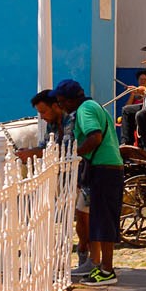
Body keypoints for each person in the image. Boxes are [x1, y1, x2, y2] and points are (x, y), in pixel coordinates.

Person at [19, 89, 93, 276]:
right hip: (65, 177)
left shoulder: (73, 120)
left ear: (56, 106)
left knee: (84, 218)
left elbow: (66, 149)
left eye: (44, 111)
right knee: (73, 216)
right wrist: (30, 152)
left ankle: (87, 256)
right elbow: (46, 147)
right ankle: (76, 255)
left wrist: (34, 153)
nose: (42, 116)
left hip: (85, 174)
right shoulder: (52, 125)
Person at [55, 78, 122, 286]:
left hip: (104, 168)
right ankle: (103, 268)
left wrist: (73, 154)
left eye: (61, 102)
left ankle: (107, 271)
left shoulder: (84, 110)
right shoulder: (93, 106)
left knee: (104, 220)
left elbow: (95, 137)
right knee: (102, 219)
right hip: (108, 167)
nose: (61, 107)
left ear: (70, 100)